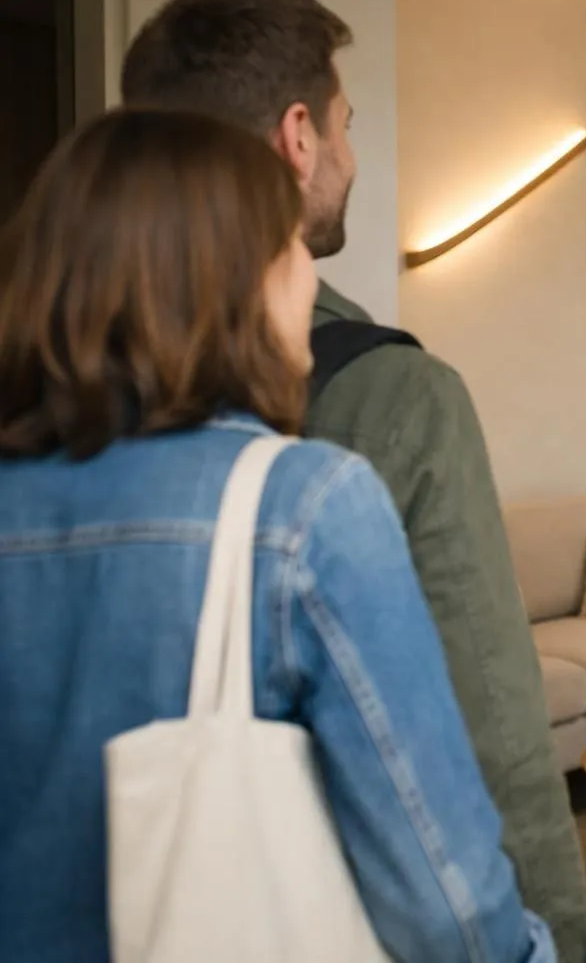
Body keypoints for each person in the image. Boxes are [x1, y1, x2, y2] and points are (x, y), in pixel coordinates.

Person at [118, 0, 586, 962]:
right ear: (299, 138)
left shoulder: (48, 384)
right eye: (345, 124)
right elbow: (490, 743)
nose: (351, 152)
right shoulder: (396, 397)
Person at [0, 107, 555, 962]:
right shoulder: (303, 507)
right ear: (232, 280)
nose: (310, 280)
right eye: (290, 247)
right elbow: (446, 905)